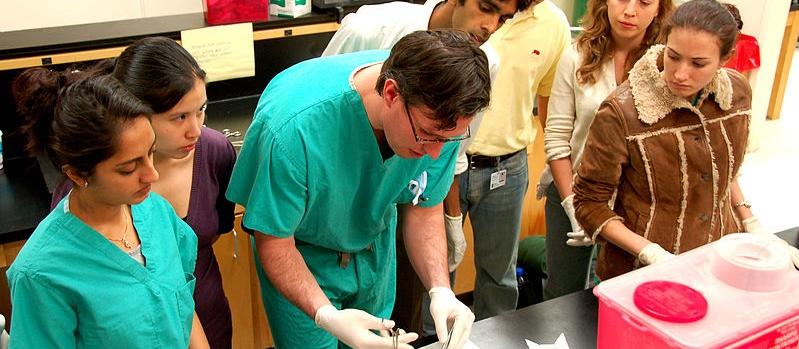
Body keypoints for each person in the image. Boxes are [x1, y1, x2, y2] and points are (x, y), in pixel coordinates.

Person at [226, 30, 489, 349]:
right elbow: (276, 242)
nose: (435, 152)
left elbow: (423, 205)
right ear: (391, 93)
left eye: (447, 139)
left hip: (373, 247)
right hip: (302, 256)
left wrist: (440, 290)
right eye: (427, 136)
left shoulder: (441, 122)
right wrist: (325, 314)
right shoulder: (292, 130)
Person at [572, 0, 799, 281]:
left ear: (725, 58)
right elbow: (588, 202)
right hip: (638, 274)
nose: (680, 74)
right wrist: (651, 252)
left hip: (717, 254)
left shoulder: (736, 94)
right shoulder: (623, 111)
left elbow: (724, 172)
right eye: (673, 56)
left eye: (698, 64)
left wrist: (750, 221)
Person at [50, 37, 237, 348]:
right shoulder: (89, 186)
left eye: (201, 110)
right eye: (179, 117)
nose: (195, 129)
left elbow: (216, 230)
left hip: (206, 318)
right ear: (134, 112)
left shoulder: (216, 151)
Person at [8, 72, 207, 348]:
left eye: (150, 153)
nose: (152, 175)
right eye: (128, 168)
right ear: (77, 174)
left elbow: (182, 309)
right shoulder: (41, 274)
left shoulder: (156, 213)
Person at [540, 0, 673, 299]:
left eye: (644, 2)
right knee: (563, 294)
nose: (629, 11)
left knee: (626, 293)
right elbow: (558, 139)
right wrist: (574, 206)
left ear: (659, 9)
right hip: (572, 189)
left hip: (636, 201)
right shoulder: (575, 57)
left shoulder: (668, 63)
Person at [457, 0, 570, 319]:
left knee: (500, 277)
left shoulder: (552, 23)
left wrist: (555, 159)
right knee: (435, 274)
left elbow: (551, 103)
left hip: (508, 167)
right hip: (445, 163)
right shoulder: (470, 10)